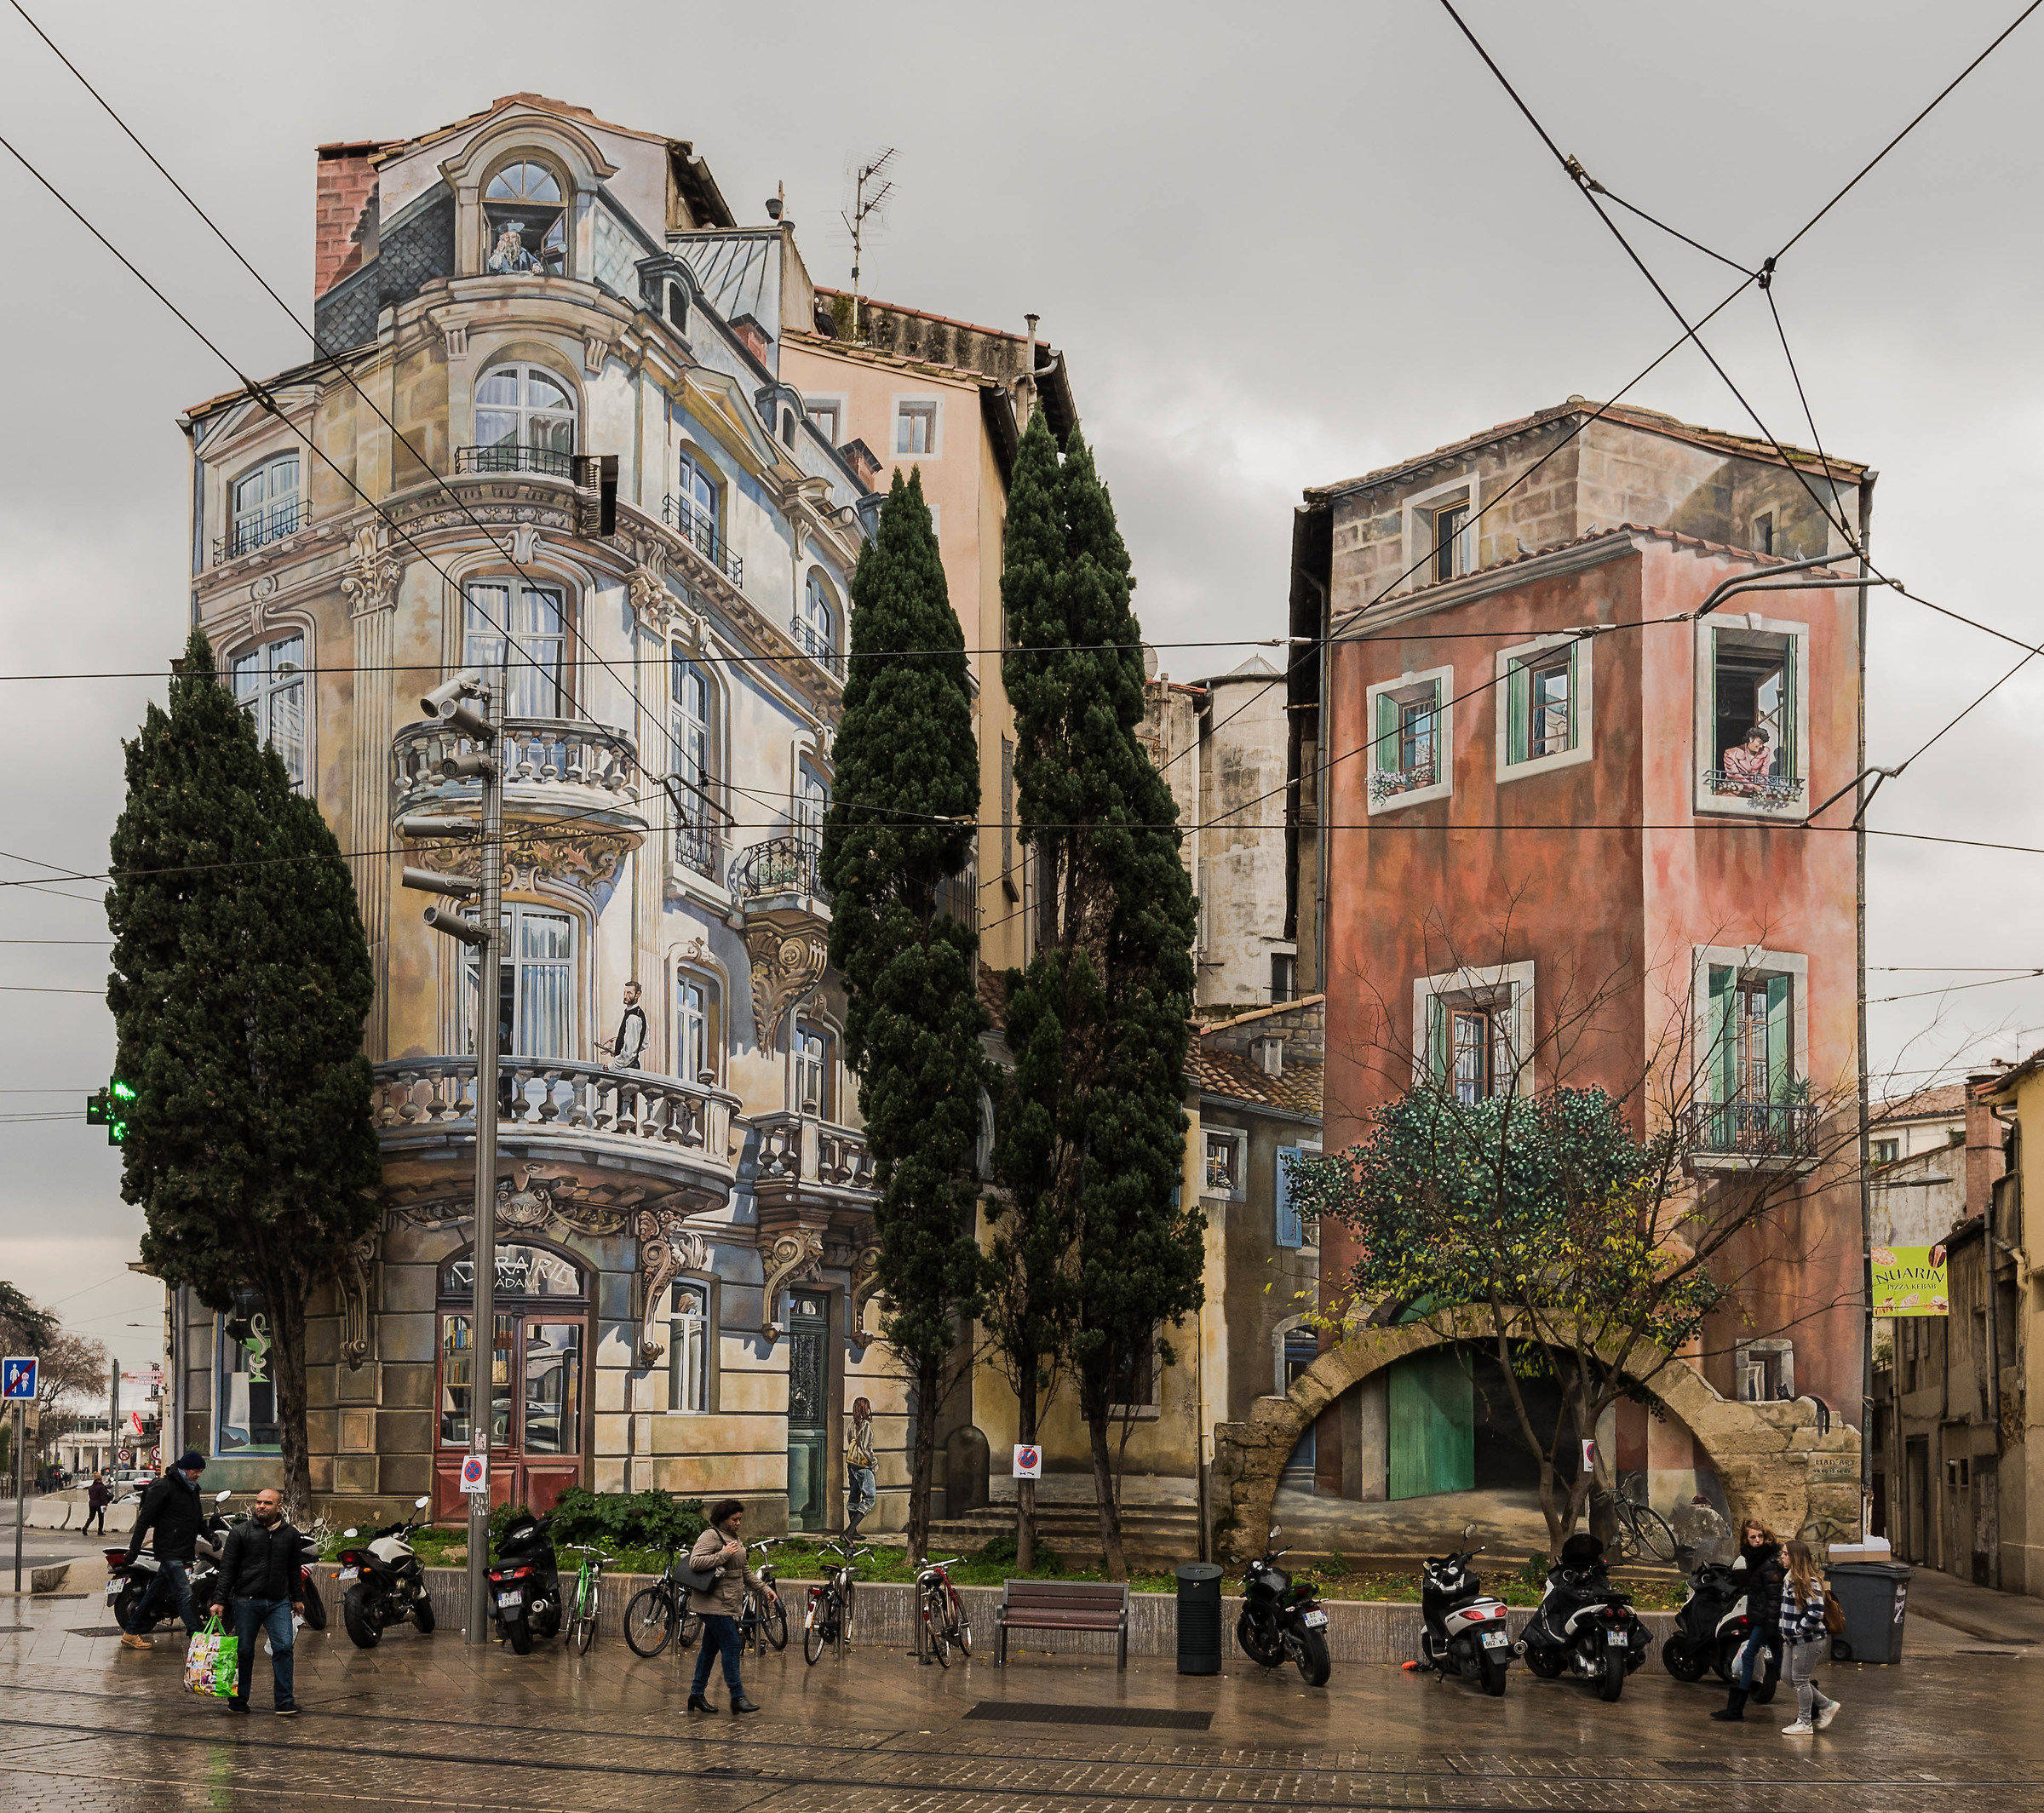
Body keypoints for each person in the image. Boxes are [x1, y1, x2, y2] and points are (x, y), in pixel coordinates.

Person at [209, 1488, 303, 1715]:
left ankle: (284, 1702)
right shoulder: (241, 1533)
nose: (261, 1506)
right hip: (246, 1601)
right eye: (259, 1502)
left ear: (279, 1507)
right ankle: (239, 1701)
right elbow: (227, 1570)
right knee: (244, 1651)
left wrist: (297, 1598)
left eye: (267, 1503)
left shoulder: (290, 1535)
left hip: (278, 1602)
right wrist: (219, 1600)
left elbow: (293, 1570)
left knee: (283, 1648)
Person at [685, 1500, 775, 1715]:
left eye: (740, 1519)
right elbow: (695, 1562)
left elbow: (744, 1571)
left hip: (728, 1601)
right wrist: (723, 1555)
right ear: (723, 1518)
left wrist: (764, 1590)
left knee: (709, 1649)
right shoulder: (710, 1536)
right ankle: (737, 1697)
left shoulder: (734, 1538)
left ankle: (696, 1694)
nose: (738, 1523)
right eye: (734, 1519)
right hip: (712, 1602)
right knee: (733, 1645)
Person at [120, 1450, 209, 1650]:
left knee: (154, 1592)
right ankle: (197, 1635)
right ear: (185, 1469)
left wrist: (210, 1536)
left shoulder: (193, 1489)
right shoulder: (165, 1487)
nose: (199, 1475)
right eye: (196, 1471)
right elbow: (144, 1520)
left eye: (201, 1471)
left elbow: (197, 1520)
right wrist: (133, 1550)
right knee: (185, 1594)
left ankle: (131, 1631)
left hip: (182, 1548)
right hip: (169, 1549)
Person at [1712, 1519, 1785, 1721]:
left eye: (1760, 1536)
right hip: (1762, 1618)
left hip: (1767, 1621)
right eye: (1753, 1537)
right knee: (1768, 1660)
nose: (1758, 1540)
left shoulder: (1767, 1561)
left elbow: (1773, 1596)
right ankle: (1735, 1709)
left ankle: (1817, 1703)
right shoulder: (1754, 1559)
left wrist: (1770, 1626)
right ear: (1746, 1539)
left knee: (1772, 1662)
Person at [1777, 1540, 1840, 1736]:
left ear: (1795, 1557)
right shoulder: (1789, 1577)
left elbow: (1817, 1610)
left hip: (1807, 1640)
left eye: (1786, 1554)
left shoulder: (1807, 1580)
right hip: (1792, 1640)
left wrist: (1797, 1629)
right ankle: (1826, 1704)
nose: (1782, 1557)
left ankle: (1805, 1722)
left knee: (1801, 1680)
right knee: (1787, 1676)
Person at [844, 1397, 876, 1535]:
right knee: (870, 1498)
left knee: (854, 1496)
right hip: (863, 1466)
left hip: (851, 1464)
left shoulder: (851, 1424)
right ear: (865, 1408)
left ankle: (853, 1533)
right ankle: (848, 1533)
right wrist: (873, 1463)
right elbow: (866, 1448)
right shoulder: (866, 1426)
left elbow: (849, 1440)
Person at [600, 982, 646, 1071]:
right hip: (628, 1066)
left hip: (628, 1068)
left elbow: (630, 1053)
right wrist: (620, 1047)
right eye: (624, 993)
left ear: (638, 994)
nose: (625, 996)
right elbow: (645, 1043)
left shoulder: (633, 1018)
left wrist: (612, 1065)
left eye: (629, 993)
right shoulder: (639, 1013)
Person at [1720, 725, 1776, 795]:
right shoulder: (1730, 753)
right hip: (1735, 790)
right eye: (1759, 742)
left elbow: (1764, 773)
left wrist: (1762, 789)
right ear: (1751, 739)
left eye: (1763, 744)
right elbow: (1735, 776)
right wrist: (1753, 787)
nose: (1761, 746)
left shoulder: (1765, 751)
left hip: (1755, 792)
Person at [83, 1470, 111, 1536]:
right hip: (100, 1504)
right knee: (101, 1517)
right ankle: (100, 1531)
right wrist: (105, 1504)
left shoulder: (91, 1487)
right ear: (100, 1479)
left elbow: (90, 1496)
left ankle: (85, 1527)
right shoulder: (102, 1487)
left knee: (91, 1517)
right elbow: (103, 1497)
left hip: (92, 1504)